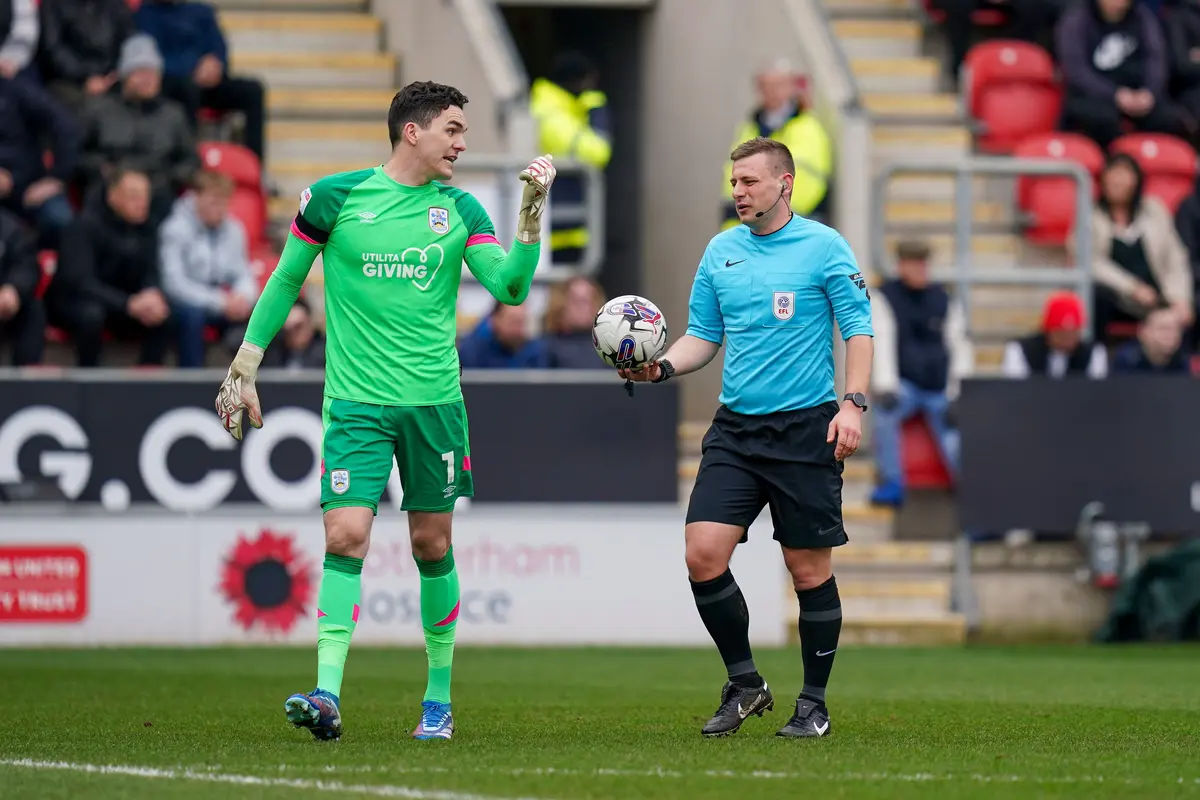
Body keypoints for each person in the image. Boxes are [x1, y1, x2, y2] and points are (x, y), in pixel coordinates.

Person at [212, 81, 556, 743]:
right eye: (453, 129)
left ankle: (437, 699)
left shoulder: (458, 207)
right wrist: (245, 364)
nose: (462, 142)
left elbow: (510, 286)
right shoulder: (334, 197)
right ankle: (327, 694)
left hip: (434, 406)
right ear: (413, 132)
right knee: (345, 535)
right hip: (356, 405)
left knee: (431, 544)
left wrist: (530, 217)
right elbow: (286, 278)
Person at [622, 136, 874, 739]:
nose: (737, 192)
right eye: (734, 182)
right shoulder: (720, 252)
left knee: (807, 569)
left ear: (783, 184)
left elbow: (858, 329)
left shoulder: (823, 246)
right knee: (702, 553)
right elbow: (702, 336)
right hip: (735, 430)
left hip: (806, 429)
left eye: (749, 182)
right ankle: (746, 683)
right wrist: (659, 368)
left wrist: (854, 404)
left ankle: (813, 704)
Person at [159, 168, 258, 368]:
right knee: (192, 316)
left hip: (221, 302)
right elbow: (174, 285)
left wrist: (242, 297)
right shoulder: (174, 228)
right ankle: (191, 383)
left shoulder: (234, 229)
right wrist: (220, 302)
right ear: (196, 197)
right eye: (213, 201)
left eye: (224, 202)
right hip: (185, 302)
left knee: (262, 314)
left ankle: (256, 384)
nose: (219, 208)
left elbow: (243, 273)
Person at [1001, 290, 1108, 378]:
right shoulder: (1021, 350)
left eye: (1073, 333)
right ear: (1048, 331)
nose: (1068, 339)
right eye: (1061, 333)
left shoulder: (1093, 353)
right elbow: (1015, 389)